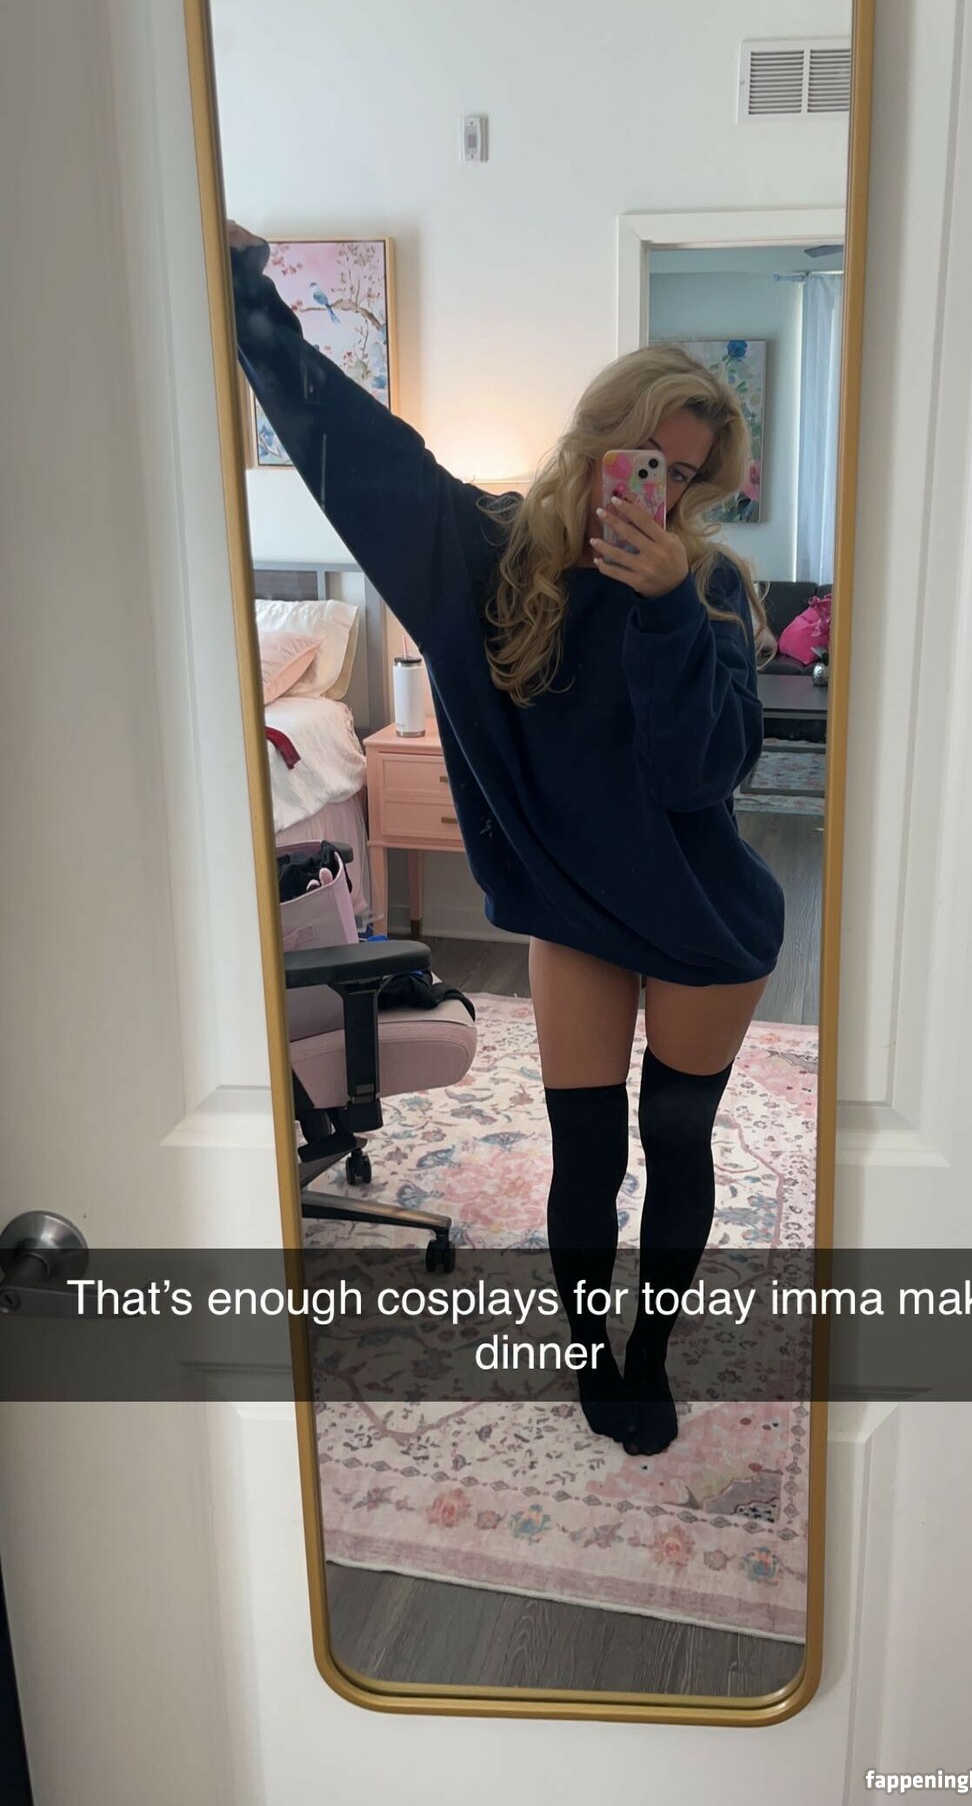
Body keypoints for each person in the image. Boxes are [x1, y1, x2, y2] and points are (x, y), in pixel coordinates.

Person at [227, 223, 785, 1455]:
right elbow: (361, 455)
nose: (661, 493)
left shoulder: (709, 592)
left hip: (705, 915)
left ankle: (652, 1351)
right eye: (647, 460)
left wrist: (662, 615)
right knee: (586, 1150)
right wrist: (248, 301)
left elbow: (702, 777)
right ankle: (592, 1353)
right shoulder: (479, 555)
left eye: (688, 479)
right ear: (597, 442)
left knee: (676, 1140)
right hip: (577, 908)